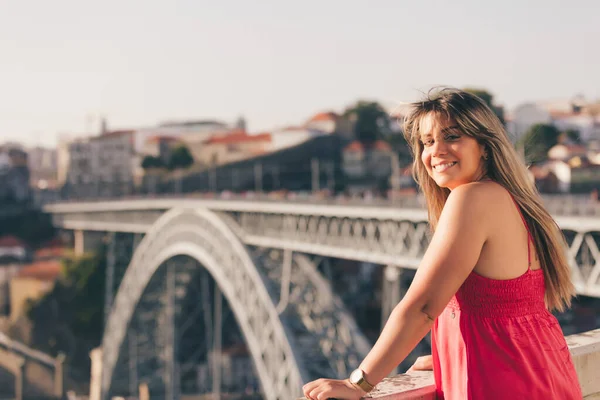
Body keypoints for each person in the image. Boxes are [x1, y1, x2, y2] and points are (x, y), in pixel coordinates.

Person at [302, 88, 582, 400]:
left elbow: (424, 308)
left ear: (485, 145)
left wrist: (358, 383)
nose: (437, 150)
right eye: (427, 141)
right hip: (545, 376)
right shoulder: (513, 200)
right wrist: (448, 352)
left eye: (452, 136)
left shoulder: (472, 198)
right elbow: (510, 316)